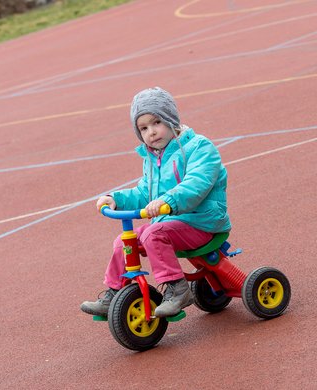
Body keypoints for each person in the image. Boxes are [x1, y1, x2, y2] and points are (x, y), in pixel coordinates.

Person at [80, 87, 231, 318]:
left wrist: (167, 201)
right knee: (124, 241)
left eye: (157, 122)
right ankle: (114, 292)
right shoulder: (153, 157)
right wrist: (116, 199)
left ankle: (178, 290)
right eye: (143, 128)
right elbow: (144, 192)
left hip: (202, 222)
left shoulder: (199, 148)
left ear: (171, 119)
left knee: (153, 233)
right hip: (168, 223)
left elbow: (196, 184)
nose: (151, 132)